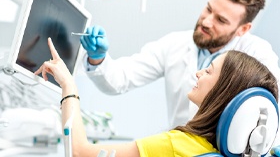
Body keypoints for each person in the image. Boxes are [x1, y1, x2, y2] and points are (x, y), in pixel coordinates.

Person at [80, 0, 280, 129]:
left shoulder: (258, 55)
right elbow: (120, 79)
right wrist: (97, 59)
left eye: (221, 20)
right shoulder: (175, 45)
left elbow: (269, 114)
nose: (207, 21)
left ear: (243, 29)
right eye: (209, 9)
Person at [35, 38, 278, 156]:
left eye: (208, 71)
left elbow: (80, 151)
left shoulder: (177, 144)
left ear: (223, 92)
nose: (197, 73)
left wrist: (68, 84)